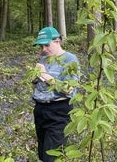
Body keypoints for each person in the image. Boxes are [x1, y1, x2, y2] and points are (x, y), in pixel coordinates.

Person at [32, 26, 79, 162]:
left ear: (57, 41)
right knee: (42, 154)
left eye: (46, 45)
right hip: (40, 109)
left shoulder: (70, 59)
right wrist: (35, 79)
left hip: (59, 111)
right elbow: (36, 88)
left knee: (51, 157)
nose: (43, 49)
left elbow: (69, 89)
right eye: (41, 46)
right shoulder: (43, 59)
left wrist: (45, 76)